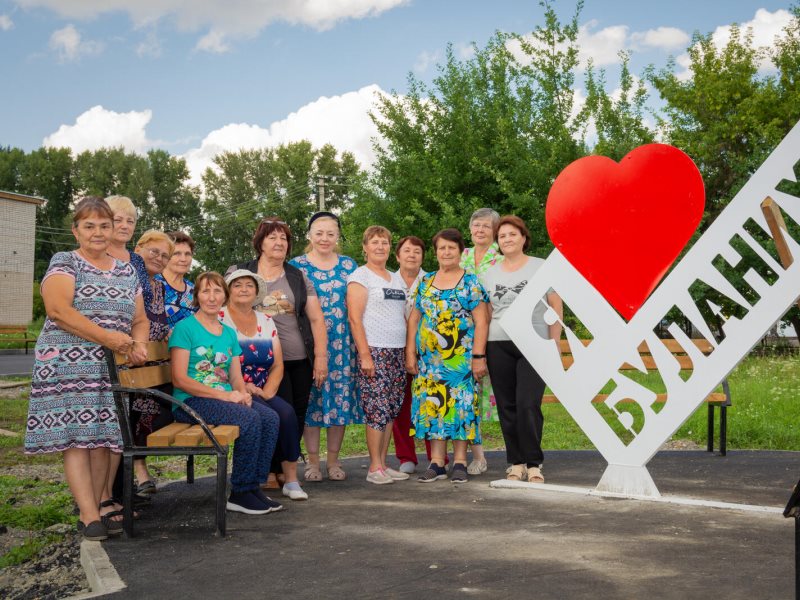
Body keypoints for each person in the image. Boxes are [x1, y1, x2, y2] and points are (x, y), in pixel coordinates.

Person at [25, 196, 149, 541]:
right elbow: (58, 311)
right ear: (76, 230)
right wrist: (109, 338)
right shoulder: (65, 262)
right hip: (68, 364)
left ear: (112, 229)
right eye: (89, 226)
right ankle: (89, 514)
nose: (98, 232)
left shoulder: (126, 269)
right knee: (79, 439)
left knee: (106, 441)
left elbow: (139, 319)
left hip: (111, 367)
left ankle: (97, 504)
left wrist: (137, 343)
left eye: (104, 226)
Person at [170, 272, 282, 515]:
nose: (212, 297)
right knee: (249, 419)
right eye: (205, 291)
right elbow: (179, 379)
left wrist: (242, 393)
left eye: (217, 291)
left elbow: (234, 376)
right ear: (196, 296)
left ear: (225, 295)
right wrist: (226, 396)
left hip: (224, 398)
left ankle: (253, 487)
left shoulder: (228, 333)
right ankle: (240, 492)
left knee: (270, 417)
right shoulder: (185, 328)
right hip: (190, 401)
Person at [228, 218, 329, 482]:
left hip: (298, 358)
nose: (279, 242)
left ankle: (283, 467)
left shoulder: (296, 276)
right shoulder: (240, 272)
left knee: (295, 415)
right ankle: (268, 470)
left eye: (283, 238)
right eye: (272, 237)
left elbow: (316, 318)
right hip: (257, 362)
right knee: (271, 413)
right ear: (260, 242)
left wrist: (320, 357)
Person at [482, 216, 563, 483]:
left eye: (512, 234)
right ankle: (515, 463)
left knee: (528, 404)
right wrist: (480, 352)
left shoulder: (541, 267)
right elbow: (487, 313)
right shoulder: (489, 274)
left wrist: (554, 343)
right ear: (498, 242)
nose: (507, 239)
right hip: (498, 344)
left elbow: (555, 306)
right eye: (502, 236)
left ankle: (534, 463)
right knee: (507, 406)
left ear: (523, 238)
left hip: (534, 343)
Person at [406, 228, 489, 484]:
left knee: (460, 408)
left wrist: (478, 356)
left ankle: (461, 462)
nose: (446, 252)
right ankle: (437, 463)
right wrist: (410, 351)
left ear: (459, 251)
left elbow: (482, 320)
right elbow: (414, 318)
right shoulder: (425, 281)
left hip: (461, 362)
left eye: (451, 248)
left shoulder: (470, 281)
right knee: (434, 407)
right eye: (441, 248)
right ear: (436, 252)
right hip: (430, 363)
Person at [219, 269, 308, 501]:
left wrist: (267, 391)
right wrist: (242, 387)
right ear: (228, 290)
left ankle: (290, 479)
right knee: (265, 416)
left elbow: (277, 364)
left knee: (287, 413)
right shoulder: (219, 318)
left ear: (257, 292)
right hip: (229, 389)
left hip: (261, 388)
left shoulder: (265, 320)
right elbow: (216, 360)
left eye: (249, 285)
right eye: (237, 285)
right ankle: (254, 480)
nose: (244, 289)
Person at [289, 212, 362, 482]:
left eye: (331, 233)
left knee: (339, 403)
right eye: (319, 233)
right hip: (307, 346)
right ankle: (312, 463)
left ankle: (333, 461)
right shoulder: (296, 267)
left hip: (343, 347)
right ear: (309, 235)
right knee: (311, 403)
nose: (324, 238)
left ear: (338, 237)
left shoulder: (349, 266)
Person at [348, 226, 409, 484]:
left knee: (391, 409)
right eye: (374, 242)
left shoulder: (395, 278)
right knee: (376, 409)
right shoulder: (360, 277)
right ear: (365, 247)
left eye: (384, 242)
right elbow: (354, 318)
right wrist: (365, 355)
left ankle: (383, 463)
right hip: (374, 349)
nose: (380, 247)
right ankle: (374, 468)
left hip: (397, 350)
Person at [459, 207, 503, 475]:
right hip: (462, 338)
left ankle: (520, 457)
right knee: (467, 398)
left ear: (495, 230)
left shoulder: (502, 256)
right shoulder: (460, 256)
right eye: (476, 225)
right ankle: (477, 456)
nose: (480, 230)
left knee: (502, 398)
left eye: (486, 226)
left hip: (496, 333)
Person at [390, 236, 427, 474]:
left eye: (417, 251)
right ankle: (406, 457)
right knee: (400, 405)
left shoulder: (432, 280)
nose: (411, 255)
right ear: (398, 256)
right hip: (393, 348)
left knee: (429, 403)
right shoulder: (388, 281)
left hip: (428, 351)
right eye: (406, 250)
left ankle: (437, 456)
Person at [156, 231, 197, 329]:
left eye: (187, 254)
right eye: (177, 253)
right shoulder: (153, 284)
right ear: (166, 256)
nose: (183, 259)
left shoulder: (194, 290)